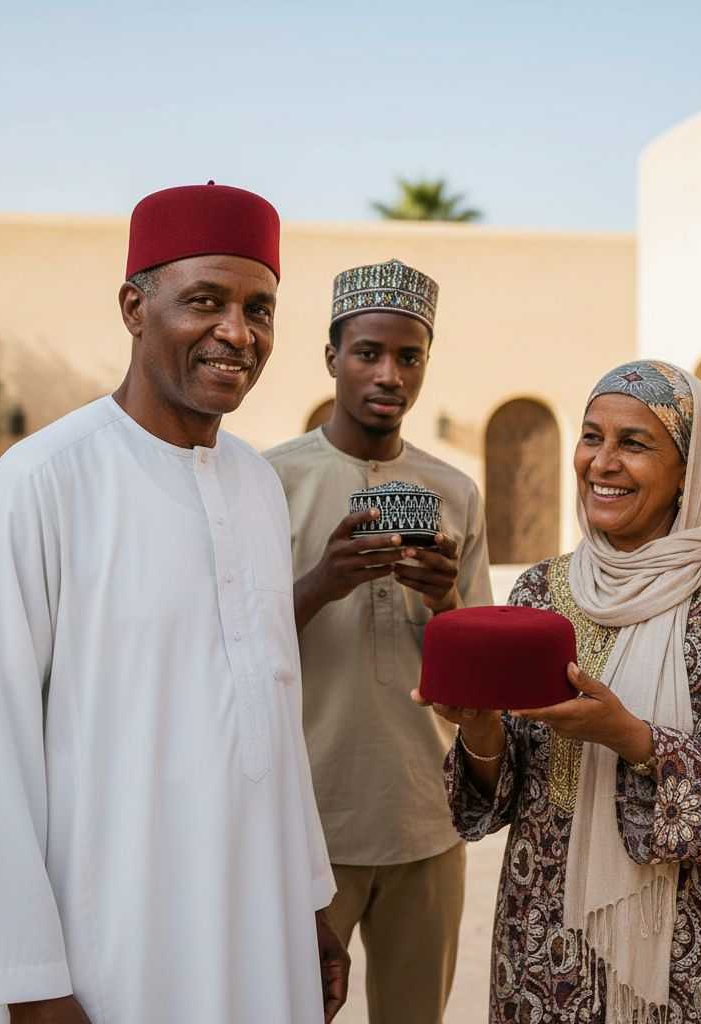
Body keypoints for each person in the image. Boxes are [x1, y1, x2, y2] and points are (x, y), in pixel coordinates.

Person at [0, 183, 349, 1024]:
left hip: (261, 930)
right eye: (206, 300)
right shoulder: (41, 483)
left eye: (260, 308)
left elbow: (274, 707)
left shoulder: (259, 486)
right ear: (134, 305)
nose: (238, 333)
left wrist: (309, 902)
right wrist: (30, 987)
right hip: (107, 948)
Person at [417, 360, 701, 1023]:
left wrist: (629, 737)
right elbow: (508, 781)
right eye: (591, 437)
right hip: (548, 944)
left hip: (697, 953)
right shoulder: (542, 593)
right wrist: (479, 728)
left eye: (634, 443)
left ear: (687, 468)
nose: (603, 462)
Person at [264, 258, 493, 1024]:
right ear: (332, 357)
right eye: (367, 352)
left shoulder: (454, 492)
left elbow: (479, 685)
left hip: (424, 817)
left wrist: (445, 600)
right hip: (303, 825)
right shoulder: (267, 484)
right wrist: (321, 582)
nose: (388, 373)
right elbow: (224, 654)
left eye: (409, 355)